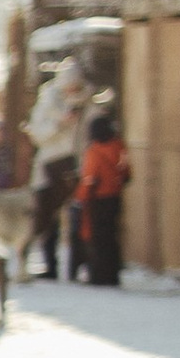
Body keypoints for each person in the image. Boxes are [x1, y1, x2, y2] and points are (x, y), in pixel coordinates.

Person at [26, 53, 93, 280]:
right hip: (50, 164)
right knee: (47, 218)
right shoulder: (48, 102)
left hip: (78, 165)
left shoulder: (86, 103)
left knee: (77, 216)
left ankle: (77, 267)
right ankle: (49, 265)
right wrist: (59, 124)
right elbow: (36, 133)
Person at [72, 106, 130, 287]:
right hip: (115, 197)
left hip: (97, 199)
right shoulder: (120, 146)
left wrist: (80, 198)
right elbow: (127, 172)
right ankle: (113, 274)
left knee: (97, 239)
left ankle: (98, 275)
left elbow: (89, 178)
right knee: (112, 236)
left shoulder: (94, 151)